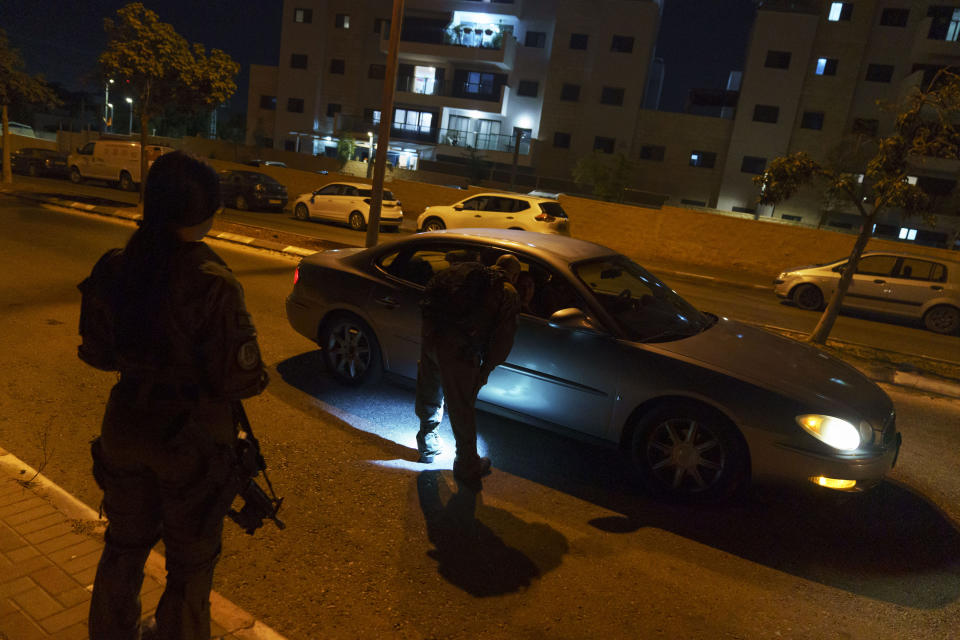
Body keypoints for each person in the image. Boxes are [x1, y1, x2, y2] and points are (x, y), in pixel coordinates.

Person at [80, 152, 269, 640]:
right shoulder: (214, 280)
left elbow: (98, 353)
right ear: (205, 211)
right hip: (191, 441)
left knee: (123, 545)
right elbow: (240, 380)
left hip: (125, 422)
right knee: (190, 564)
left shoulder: (117, 264)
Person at [414, 253, 522, 483]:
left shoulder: (468, 275)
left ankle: (428, 444)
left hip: (431, 336)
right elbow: (503, 340)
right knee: (461, 404)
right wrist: (485, 371)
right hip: (458, 348)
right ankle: (467, 464)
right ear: (514, 274)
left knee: (430, 390)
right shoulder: (507, 291)